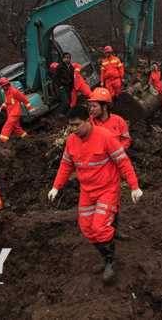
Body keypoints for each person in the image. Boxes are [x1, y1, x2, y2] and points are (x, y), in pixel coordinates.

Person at [48, 106, 143, 282]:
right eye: (71, 125)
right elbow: (66, 165)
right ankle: (105, 257)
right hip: (87, 191)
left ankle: (111, 262)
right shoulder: (71, 141)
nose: (74, 129)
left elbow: (123, 162)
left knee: (100, 227)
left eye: (77, 125)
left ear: (87, 121)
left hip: (107, 189)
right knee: (87, 228)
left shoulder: (106, 138)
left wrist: (134, 186)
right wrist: (56, 187)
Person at [88, 87, 132, 240]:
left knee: (114, 199)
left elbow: (126, 139)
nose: (91, 109)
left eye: (94, 106)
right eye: (90, 106)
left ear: (104, 107)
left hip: (113, 167)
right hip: (96, 169)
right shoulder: (89, 123)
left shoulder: (118, 121)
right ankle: (99, 228)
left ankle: (114, 229)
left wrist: (118, 150)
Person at [0, 77, 33, 142]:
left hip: (15, 113)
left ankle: (2, 140)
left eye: (3, 87)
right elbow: (7, 102)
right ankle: (26, 137)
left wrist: (29, 108)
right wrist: (0, 108)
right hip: (10, 113)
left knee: (8, 125)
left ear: (7, 85)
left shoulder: (14, 91)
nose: (2, 88)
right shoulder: (6, 92)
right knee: (15, 128)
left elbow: (24, 99)